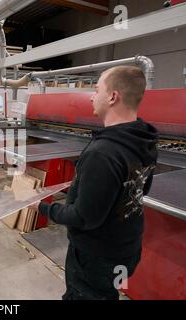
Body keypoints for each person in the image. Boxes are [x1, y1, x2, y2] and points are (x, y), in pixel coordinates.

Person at [30, 66, 158, 300]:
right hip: (126, 249)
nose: (91, 95)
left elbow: (84, 218)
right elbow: (140, 189)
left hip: (97, 257)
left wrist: (42, 207)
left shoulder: (103, 153)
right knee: (107, 294)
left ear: (112, 97)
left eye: (96, 89)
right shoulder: (143, 140)